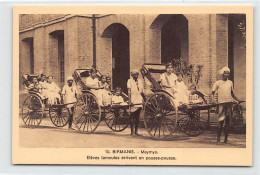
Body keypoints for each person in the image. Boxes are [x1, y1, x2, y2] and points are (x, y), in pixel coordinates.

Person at [212, 66, 240, 144]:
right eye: (225, 73)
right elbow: (213, 92)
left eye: (228, 73)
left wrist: (237, 99)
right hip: (221, 104)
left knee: (228, 122)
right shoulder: (217, 83)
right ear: (222, 74)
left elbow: (232, 93)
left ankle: (226, 139)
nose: (227, 74)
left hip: (229, 104)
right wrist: (214, 101)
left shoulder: (230, 82)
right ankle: (218, 139)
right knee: (220, 121)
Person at [127, 69, 144, 136]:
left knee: (137, 117)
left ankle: (136, 131)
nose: (135, 76)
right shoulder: (129, 81)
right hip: (133, 99)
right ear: (132, 75)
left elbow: (142, 91)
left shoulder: (140, 81)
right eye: (134, 75)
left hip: (139, 99)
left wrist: (143, 100)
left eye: (136, 74)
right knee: (132, 116)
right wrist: (129, 100)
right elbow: (129, 91)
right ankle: (132, 131)